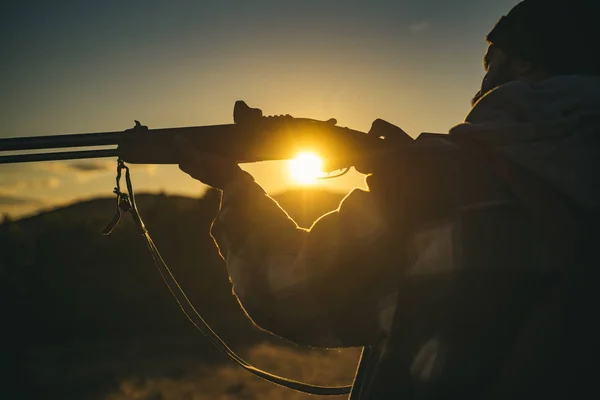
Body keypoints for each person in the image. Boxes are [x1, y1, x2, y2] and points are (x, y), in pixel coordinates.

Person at [178, 1, 600, 398]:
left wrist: (233, 187)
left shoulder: (441, 181)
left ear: (524, 59)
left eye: (491, 62)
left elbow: (290, 291)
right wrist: (406, 164)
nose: (482, 82)